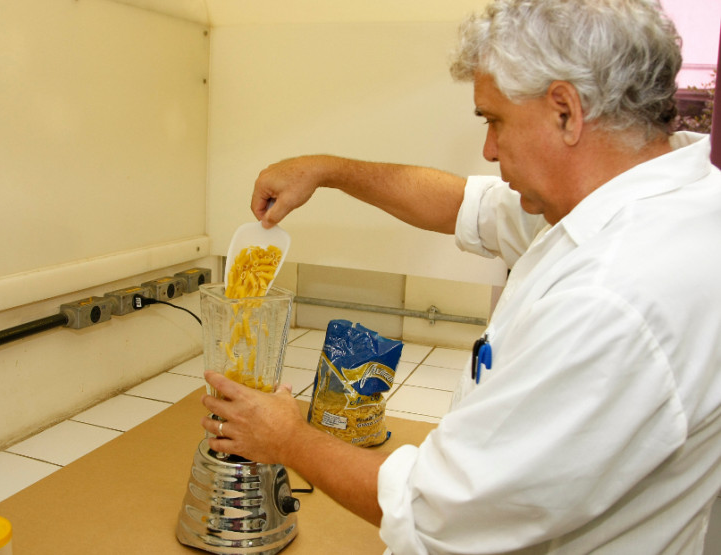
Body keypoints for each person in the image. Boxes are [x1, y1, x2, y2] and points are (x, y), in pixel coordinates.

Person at [200, 0, 721, 553]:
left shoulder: (614, 294)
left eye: (495, 120)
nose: (488, 148)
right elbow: (463, 204)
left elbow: (438, 509)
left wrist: (286, 436)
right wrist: (327, 170)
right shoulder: (662, 200)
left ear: (565, 110)